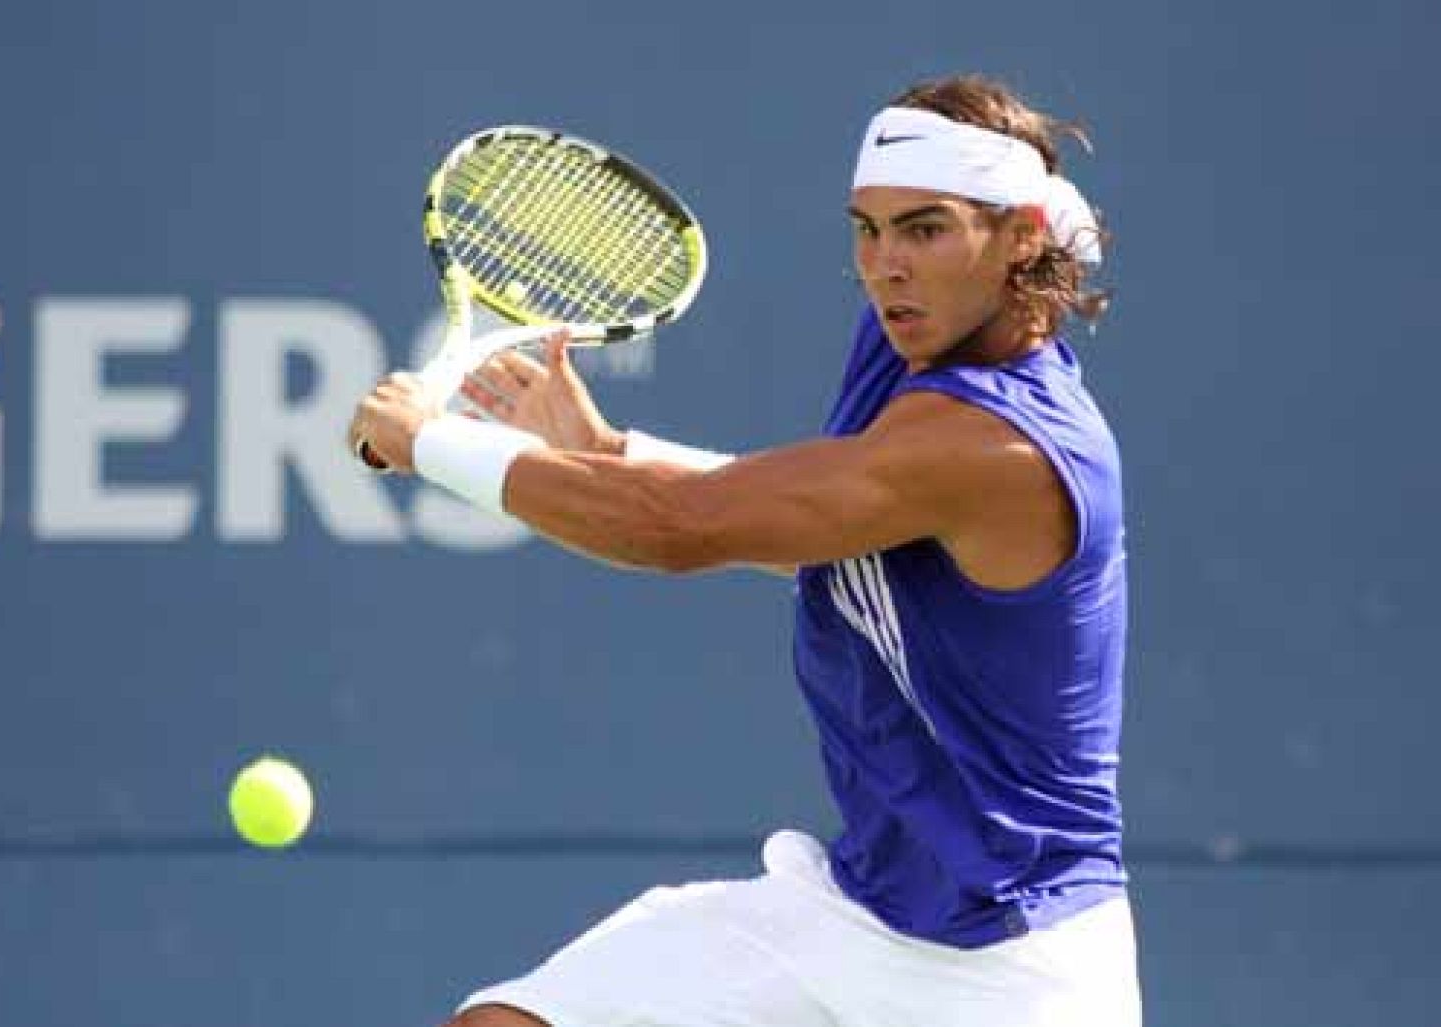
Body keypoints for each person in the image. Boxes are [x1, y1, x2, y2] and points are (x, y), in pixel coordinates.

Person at [351, 73, 1140, 1027]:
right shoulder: (917, 336)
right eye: (867, 227)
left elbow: (684, 529)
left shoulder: (998, 448)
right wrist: (608, 455)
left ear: (1020, 238)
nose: (886, 264)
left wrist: (429, 442)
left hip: (1012, 966)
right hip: (858, 909)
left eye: (924, 229)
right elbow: (811, 533)